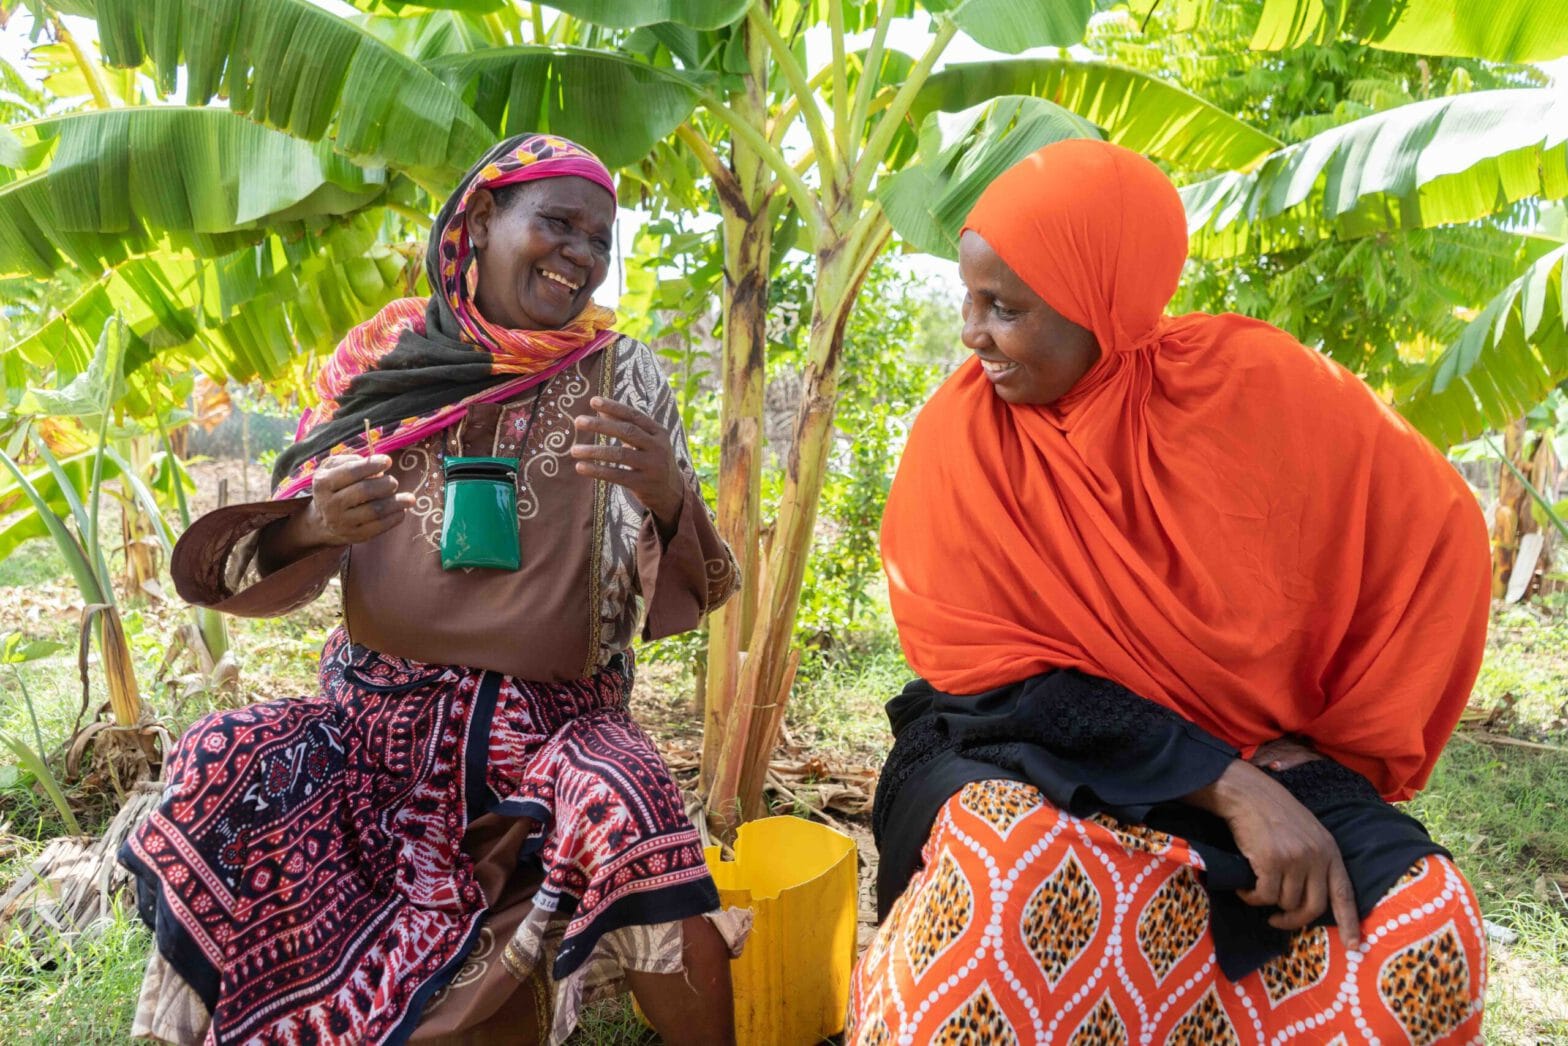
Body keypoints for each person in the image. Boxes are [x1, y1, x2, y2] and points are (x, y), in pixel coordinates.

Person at [848, 138, 1492, 1043]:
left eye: (1005, 308)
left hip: (1262, 758)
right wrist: (1222, 786)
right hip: (1026, 746)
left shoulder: (1251, 387)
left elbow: (1434, 526)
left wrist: (1316, 756)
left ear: (1099, 305)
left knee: (1426, 929)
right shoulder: (962, 440)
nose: (971, 333)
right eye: (970, 299)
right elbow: (988, 686)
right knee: (1011, 868)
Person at [121, 134, 747, 1046]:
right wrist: (314, 525)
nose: (581, 254)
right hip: (379, 720)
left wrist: (665, 495)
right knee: (227, 752)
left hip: (555, 723)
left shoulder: (622, 374)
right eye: (558, 223)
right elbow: (262, 560)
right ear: (483, 219)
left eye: (600, 238)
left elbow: (696, 589)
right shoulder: (381, 366)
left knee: (632, 794)